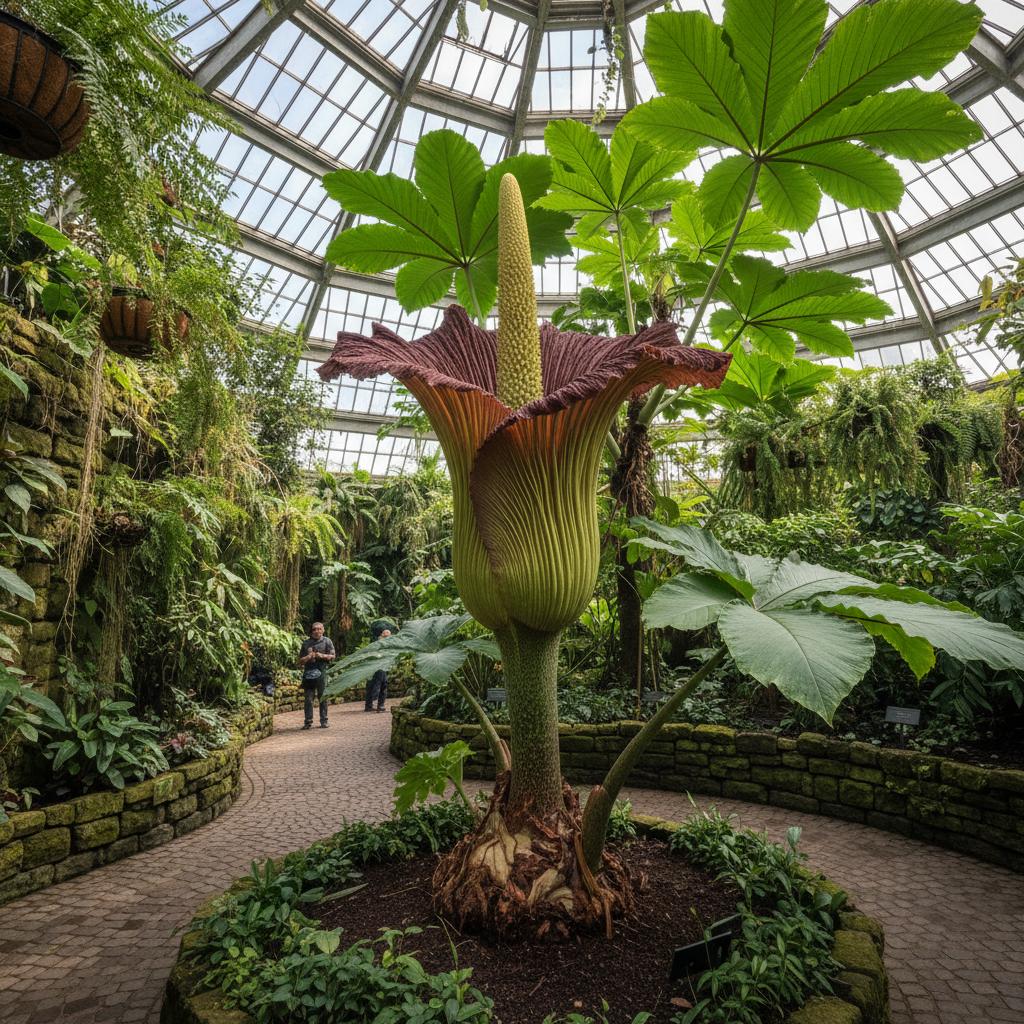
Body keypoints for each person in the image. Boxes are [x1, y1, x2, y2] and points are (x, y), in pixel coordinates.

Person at [298, 622, 335, 729]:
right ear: (311, 631)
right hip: (308, 672)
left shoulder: (327, 641)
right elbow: (300, 661)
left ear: (323, 630)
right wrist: (308, 657)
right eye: (314, 629)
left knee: (322, 696)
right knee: (308, 698)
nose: (316, 631)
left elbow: (333, 656)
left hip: (322, 671)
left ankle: (324, 720)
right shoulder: (306, 643)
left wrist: (321, 655)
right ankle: (308, 722)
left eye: (319, 629)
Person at [364, 621, 394, 713]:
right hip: (376, 665)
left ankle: (371, 705)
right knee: (381, 684)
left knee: (375, 683)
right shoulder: (377, 642)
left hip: (381, 665)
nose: (389, 634)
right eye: (387, 632)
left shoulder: (386, 642)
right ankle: (379, 705)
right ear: (382, 633)